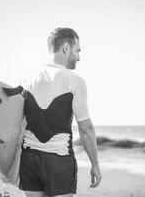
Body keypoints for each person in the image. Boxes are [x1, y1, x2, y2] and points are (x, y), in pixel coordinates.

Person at [19, 28, 102, 197]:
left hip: (28, 159)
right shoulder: (74, 80)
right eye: (77, 50)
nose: (78, 56)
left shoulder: (27, 78)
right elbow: (85, 129)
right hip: (59, 160)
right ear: (66, 48)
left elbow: (14, 124)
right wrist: (95, 165)